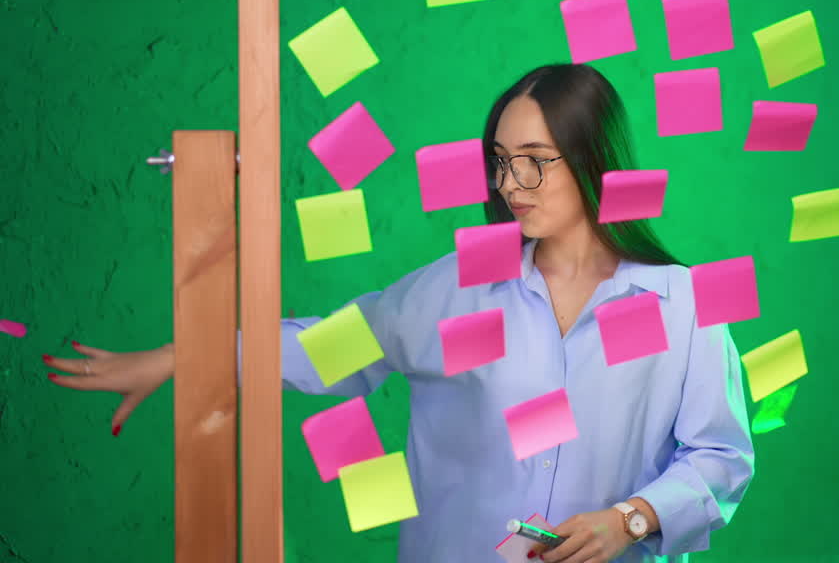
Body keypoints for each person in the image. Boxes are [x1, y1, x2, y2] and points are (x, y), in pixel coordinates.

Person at [44, 63, 755, 563]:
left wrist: (630, 521)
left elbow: (722, 457)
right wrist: (184, 356)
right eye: (502, 160)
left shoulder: (682, 302)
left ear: (594, 160)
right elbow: (333, 347)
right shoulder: (460, 288)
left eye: (536, 159)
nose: (512, 183)